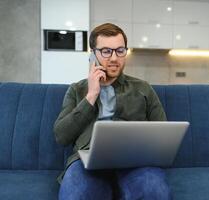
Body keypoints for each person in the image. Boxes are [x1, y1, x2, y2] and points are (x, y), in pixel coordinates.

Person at [53, 23, 171, 200]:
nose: (114, 58)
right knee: (76, 194)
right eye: (106, 51)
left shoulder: (143, 89)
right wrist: (91, 95)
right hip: (87, 163)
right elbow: (61, 136)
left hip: (135, 161)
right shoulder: (77, 90)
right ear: (93, 54)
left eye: (120, 50)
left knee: (154, 190)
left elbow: (165, 136)